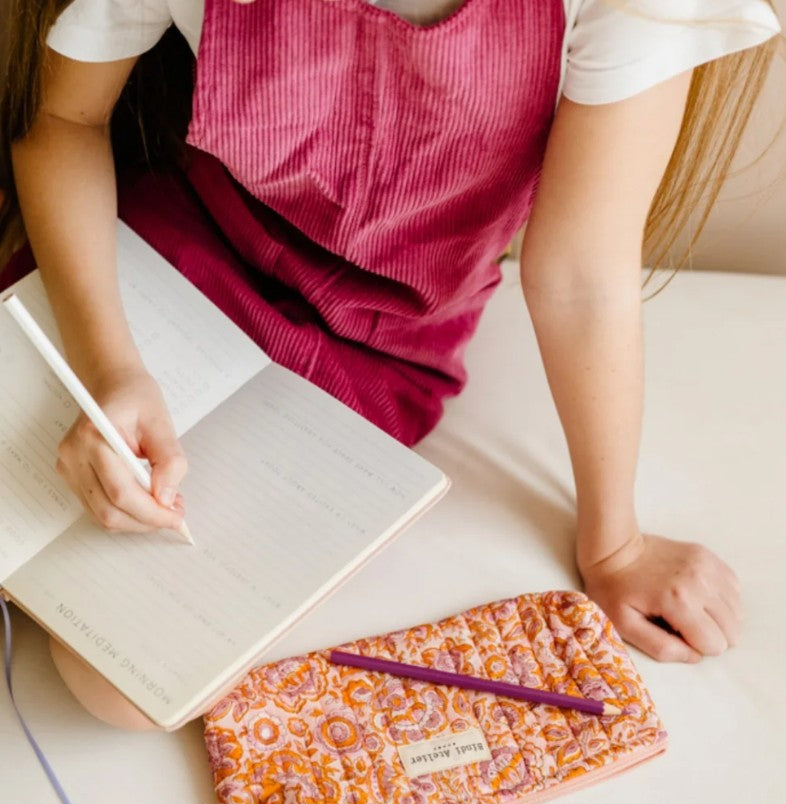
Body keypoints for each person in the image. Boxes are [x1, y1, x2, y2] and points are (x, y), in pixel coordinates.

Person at [0, 0, 781, 728]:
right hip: (168, 255)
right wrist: (109, 364)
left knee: (119, 680)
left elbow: (580, 274)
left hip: (377, 343)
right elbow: (64, 116)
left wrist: (616, 546)